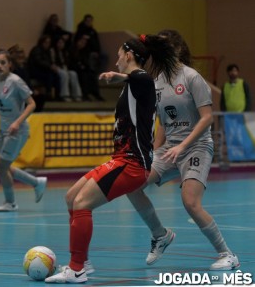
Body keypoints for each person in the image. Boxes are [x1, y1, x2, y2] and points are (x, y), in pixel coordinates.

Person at [45, 34, 179, 283]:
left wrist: (120, 76)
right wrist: (123, 79)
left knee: (83, 203)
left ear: (128, 55)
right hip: (120, 158)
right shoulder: (131, 86)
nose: (116, 59)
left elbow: (142, 77)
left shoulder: (141, 81)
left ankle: (76, 269)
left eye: (119, 54)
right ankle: (83, 261)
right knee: (71, 198)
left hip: (132, 163)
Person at [125, 30, 240, 271]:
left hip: (196, 146)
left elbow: (207, 118)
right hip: (170, 148)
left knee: (190, 202)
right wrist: (152, 153)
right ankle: (160, 234)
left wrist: (183, 146)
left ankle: (227, 254)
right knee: (133, 185)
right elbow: (162, 123)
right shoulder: (156, 82)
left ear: (176, 50)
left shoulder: (192, 77)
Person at [0, 49, 47, 212]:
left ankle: (11, 202)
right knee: (2, 166)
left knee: (2, 167)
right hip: (3, 130)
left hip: (17, 131)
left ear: (10, 65)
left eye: (3, 63)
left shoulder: (16, 81)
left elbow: (32, 104)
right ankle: (36, 183)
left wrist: (18, 122)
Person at [69, 35, 104, 101]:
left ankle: (96, 93)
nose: (83, 44)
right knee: (84, 75)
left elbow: (85, 62)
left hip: (82, 69)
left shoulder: (84, 51)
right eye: (82, 42)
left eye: (84, 43)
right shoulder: (72, 50)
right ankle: (85, 94)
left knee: (92, 74)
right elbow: (71, 62)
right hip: (74, 69)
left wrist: (85, 67)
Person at [28, 35, 61, 100]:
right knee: (49, 76)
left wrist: (53, 66)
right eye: (46, 42)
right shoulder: (36, 49)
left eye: (49, 42)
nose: (48, 44)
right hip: (35, 71)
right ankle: (48, 94)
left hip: (44, 70)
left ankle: (57, 95)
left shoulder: (47, 51)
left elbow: (50, 61)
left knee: (57, 76)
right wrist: (50, 66)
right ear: (42, 42)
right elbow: (38, 61)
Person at [54, 37, 82, 102]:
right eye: (59, 43)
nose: (61, 44)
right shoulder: (53, 51)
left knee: (73, 73)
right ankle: (64, 95)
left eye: (62, 43)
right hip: (57, 68)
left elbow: (67, 62)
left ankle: (77, 94)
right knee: (64, 74)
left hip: (65, 68)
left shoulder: (65, 52)